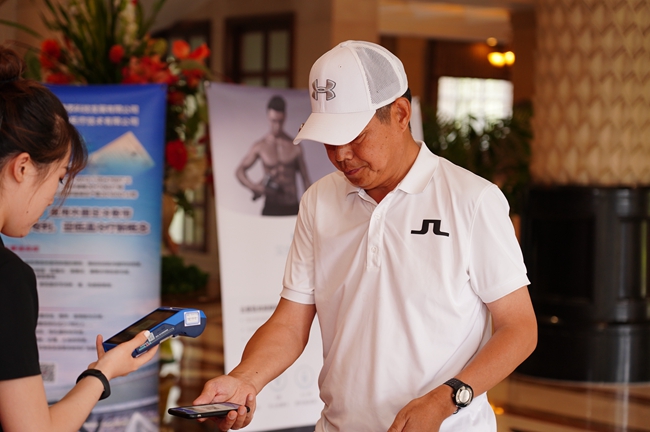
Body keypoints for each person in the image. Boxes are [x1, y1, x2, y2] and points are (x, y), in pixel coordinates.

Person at [195, 40, 537, 431]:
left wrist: (446, 400)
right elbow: (290, 323)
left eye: (355, 136)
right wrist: (244, 379)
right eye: (329, 139)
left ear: (401, 114)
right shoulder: (319, 200)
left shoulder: (472, 200)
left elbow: (519, 328)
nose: (341, 155)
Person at [0, 46, 158, 432]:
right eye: (58, 177)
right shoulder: (8, 280)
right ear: (23, 167)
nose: (53, 196)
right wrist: (102, 374)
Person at [235, 95, 312, 216]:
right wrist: (254, 187)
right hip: (271, 206)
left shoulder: (295, 146)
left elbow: (305, 179)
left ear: (285, 117)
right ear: (268, 117)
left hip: (291, 206)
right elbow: (240, 171)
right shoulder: (260, 146)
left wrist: (310, 208)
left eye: (280, 121)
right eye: (273, 121)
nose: (277, 126)